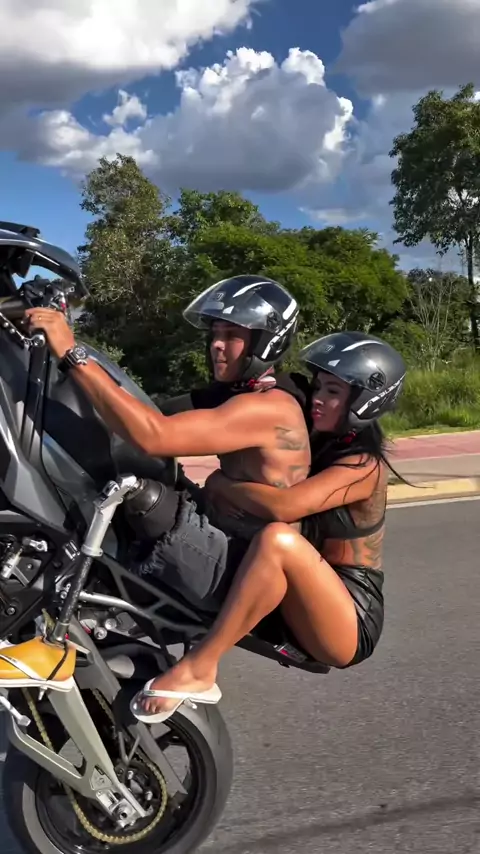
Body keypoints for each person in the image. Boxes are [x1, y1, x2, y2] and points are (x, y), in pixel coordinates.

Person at [131, 331, 406, 724]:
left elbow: (286, 506)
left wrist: (222, 484)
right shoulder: (317, 435)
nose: (317, 399)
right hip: (301, 589)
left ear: (365, 402)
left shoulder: (365, 466)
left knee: (277, 540)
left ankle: (201, 668)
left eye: (332, 392)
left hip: (348, 614)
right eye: (318, 387)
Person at [25, 274, 311, 615]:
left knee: (143, 497)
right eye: (215, 334)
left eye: (231, 335)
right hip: (224, 541)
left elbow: (155, 436)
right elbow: (145, 408)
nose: (216, 345)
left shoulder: (269, 407)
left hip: (246, 571)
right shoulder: (238, 394)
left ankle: (90, 611)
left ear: (266, 342)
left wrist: (71, 353)